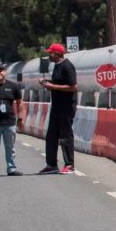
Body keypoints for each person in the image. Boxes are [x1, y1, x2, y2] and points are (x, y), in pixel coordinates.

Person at [39, 43, 77, 175]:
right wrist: (47, 82)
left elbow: (73, 87)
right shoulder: (56, 66)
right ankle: (51, 164)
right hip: (56, 106)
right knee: (51, 136)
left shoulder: (68, 66)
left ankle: (69, 165)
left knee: (66, 135)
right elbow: (59, 82)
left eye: (50, 53)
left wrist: (53, 87)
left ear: (57, 54)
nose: (49, 55)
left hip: (66, 107)